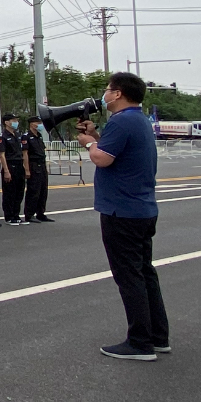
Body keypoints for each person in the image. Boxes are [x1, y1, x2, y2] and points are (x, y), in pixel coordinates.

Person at [76, 71, 167, 362]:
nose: (104, 94)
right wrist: (98, 137)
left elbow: (103, 158)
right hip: (141, 209)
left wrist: (90, 143)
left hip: (121, 211)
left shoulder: (121, 121)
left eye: (107, 89)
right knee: (145, 273)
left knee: (129, 277)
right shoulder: (138, 121)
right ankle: (157, 336)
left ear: (117, 94)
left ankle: (139, 342)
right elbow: (116, 150)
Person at [0, 114, 28, 226]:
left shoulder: (18, 135)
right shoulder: (3, 136)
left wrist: (26, 168)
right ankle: (9, 216)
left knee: (19, 192)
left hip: (19, 165)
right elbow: (2, 155)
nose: (16, 122)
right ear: (6, 122)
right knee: (10, 192)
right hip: (10, 165)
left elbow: (23, 153)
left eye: (16, 120)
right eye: (13, 120)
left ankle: (16, 215)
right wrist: (6, 170)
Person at [23, 115, 52, 223]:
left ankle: (40, 213)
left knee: (43, 191)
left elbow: (42, 153)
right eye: (38, 123)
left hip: (41, 165)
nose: (40, 125)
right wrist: (27, 169)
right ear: (32, 124)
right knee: (33, 191)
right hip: (33, 165)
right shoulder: (26, 136)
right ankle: (29, 214)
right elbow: (25, 154)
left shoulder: (39, 136)